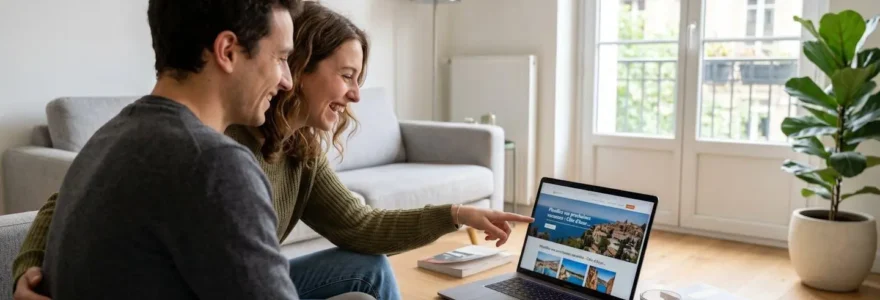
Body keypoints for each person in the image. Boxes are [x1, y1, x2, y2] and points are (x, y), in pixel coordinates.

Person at [12, 2, 534, 300]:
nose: (356, 95)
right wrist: (26, 273)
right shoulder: (215, 157)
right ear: (228, 51)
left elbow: (357, 225)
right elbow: (62, 202)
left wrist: (453, 213)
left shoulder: (134, 131)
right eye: (282, 59)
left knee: (367, 267)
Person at [17, 0, 306, 299]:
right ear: (228, 51)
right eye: (280, 58)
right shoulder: (213, 164)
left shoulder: (108, 137)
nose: (286, 81)